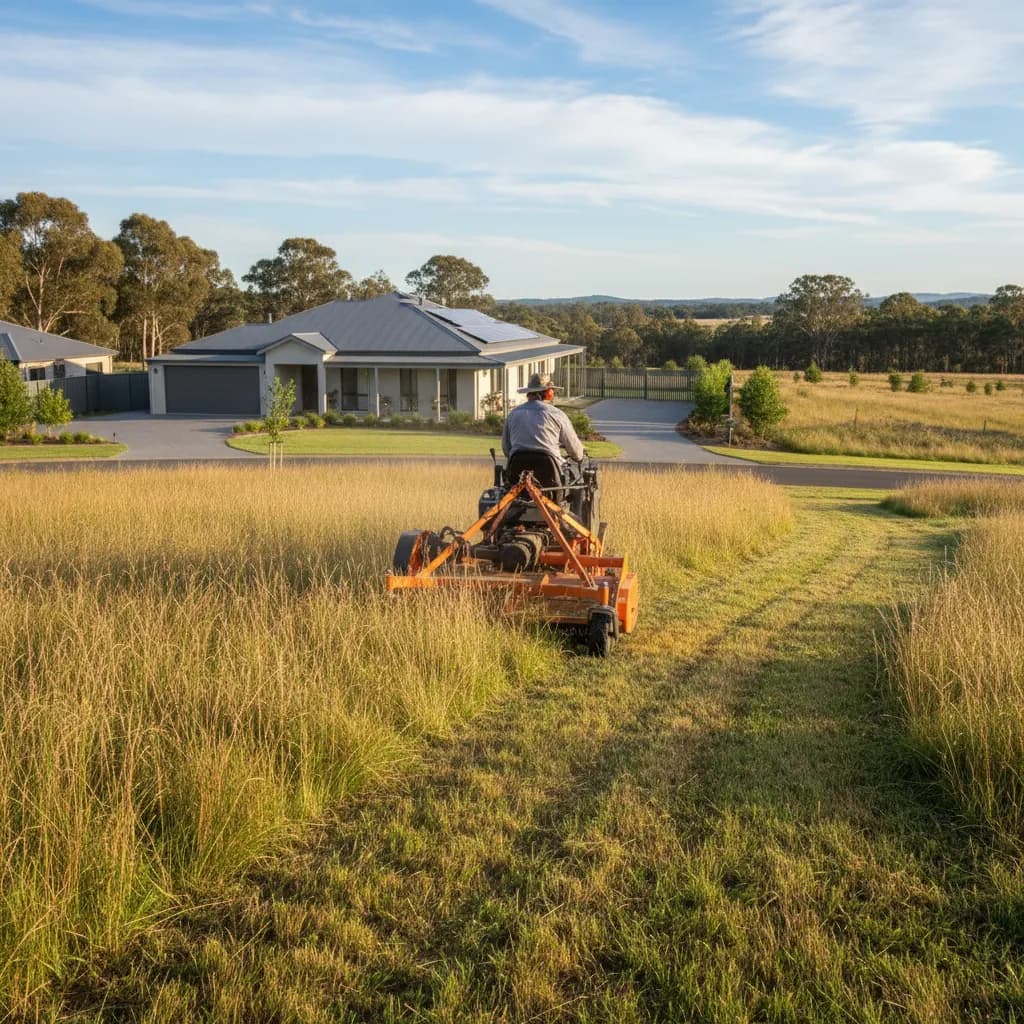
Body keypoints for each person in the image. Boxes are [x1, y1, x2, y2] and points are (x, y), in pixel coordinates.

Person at [501, 371, 585, 465]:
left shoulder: (513, 414)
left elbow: (506, 449)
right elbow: (575, 450)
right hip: (550, 469)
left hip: (517, 469)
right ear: (548, 393)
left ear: (528, 393)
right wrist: (580, 456)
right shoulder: (557, 414)